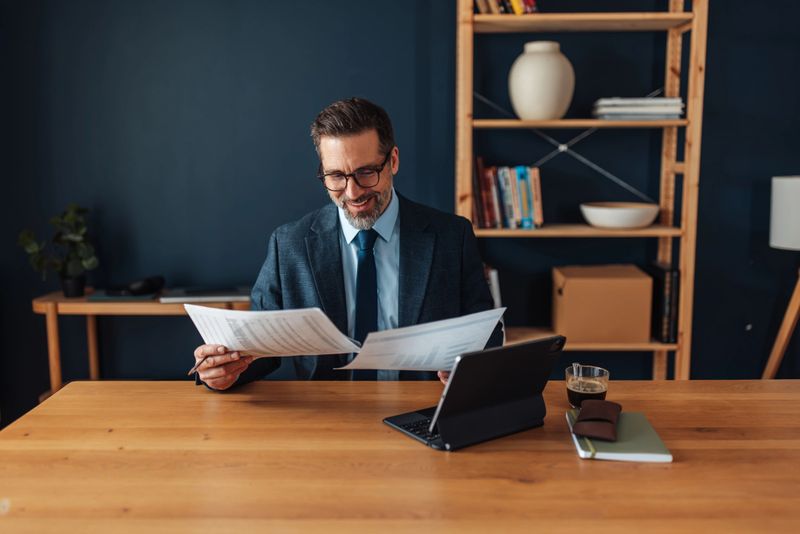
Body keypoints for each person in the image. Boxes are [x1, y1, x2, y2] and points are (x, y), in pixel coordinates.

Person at [194, 97, 503, 391]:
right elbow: (258, 353)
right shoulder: (289, 244)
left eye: (366, 172)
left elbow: (487, 334)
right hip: (325, 419)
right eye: (336, 176)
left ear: (392, 161)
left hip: (420, 413)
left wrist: (472, 367)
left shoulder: (452, 236)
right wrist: (224, 372)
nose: (352, 192)